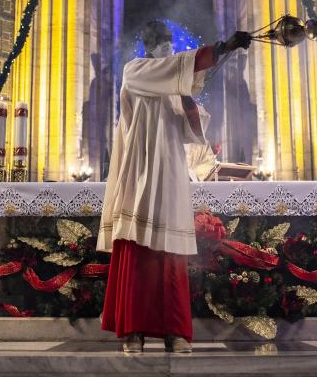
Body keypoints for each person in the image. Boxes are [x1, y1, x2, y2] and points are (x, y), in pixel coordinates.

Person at [98, 21, 250, 353]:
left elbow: (190, 131)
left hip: (168, 174)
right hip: (139, 172)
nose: (168, 46)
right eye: (161, 41)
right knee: (138, 249)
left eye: (169, 41)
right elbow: (177, 68)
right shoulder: (135, 71)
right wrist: (221, 48)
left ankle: (174, 332)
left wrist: (189, 98)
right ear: (148, 45)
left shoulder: (171, 86)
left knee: (171, 255)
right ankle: (134, 332)